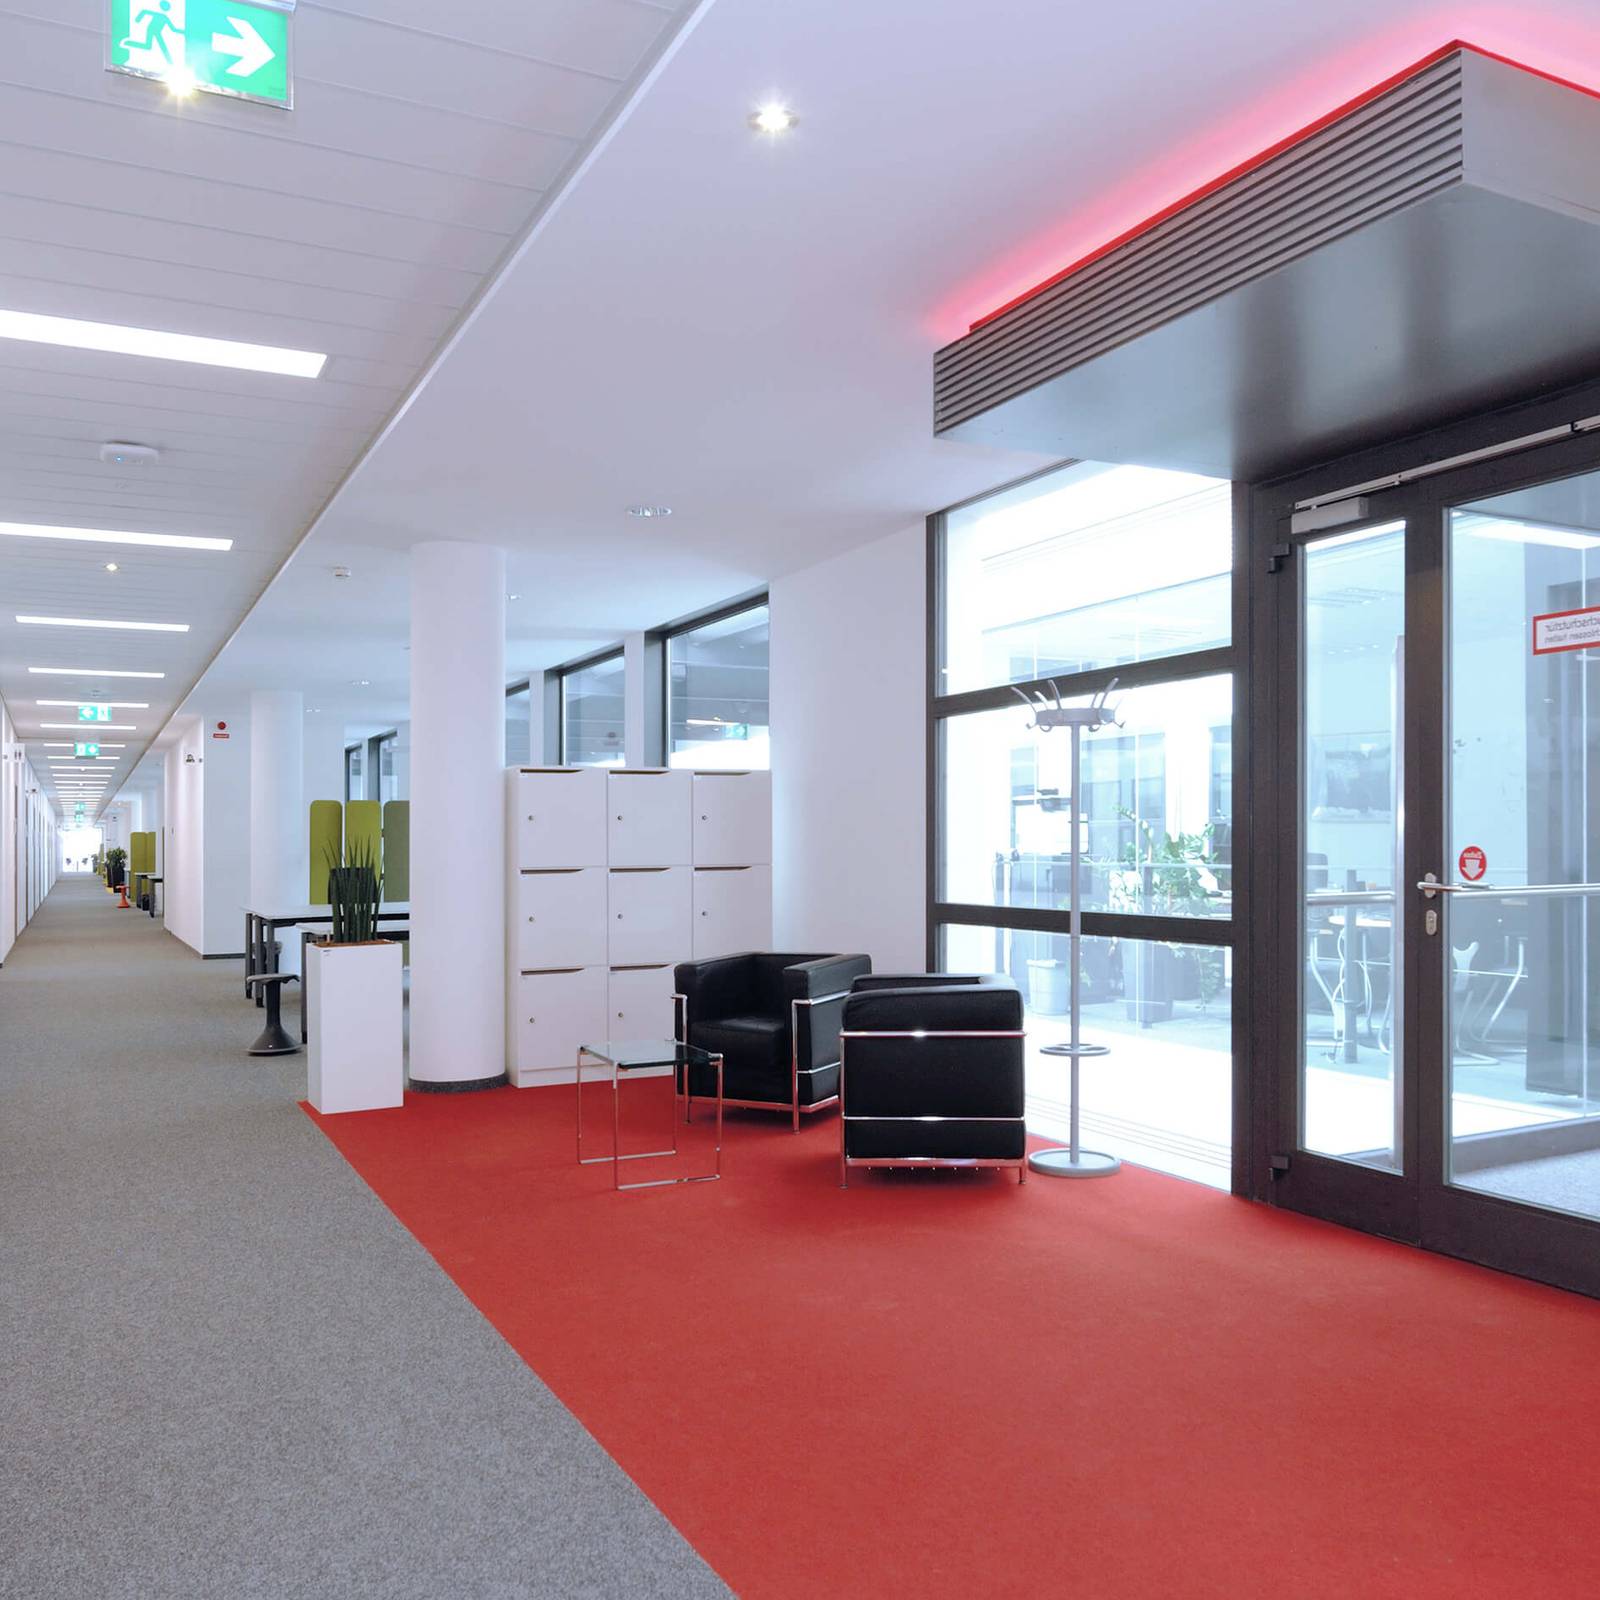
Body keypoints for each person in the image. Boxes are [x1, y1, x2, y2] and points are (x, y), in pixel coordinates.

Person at [122, 1, 183, 66]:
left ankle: (170, 61)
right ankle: (170, 61)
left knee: (149, 46)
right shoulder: (159, 15)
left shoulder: (165, 17)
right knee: (155, 45)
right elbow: (145, 11)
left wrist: (183, 32)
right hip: (151, 29)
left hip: (157, 31)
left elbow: (173, 29)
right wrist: (138, 19)